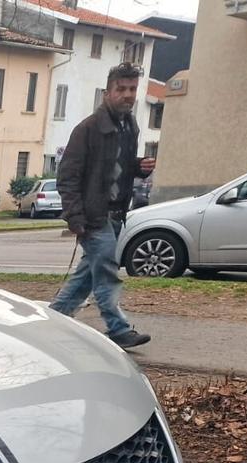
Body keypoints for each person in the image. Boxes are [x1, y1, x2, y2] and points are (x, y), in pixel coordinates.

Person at [50, 62, 157, 350]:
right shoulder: (88, 129)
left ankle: (52, 320)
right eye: (121, 89)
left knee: (87, 277)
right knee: (107, 269)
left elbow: (115, 169)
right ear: (107, 93)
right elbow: (67, 176)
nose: (127, 95)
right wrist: (75, 217)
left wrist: (138, 168)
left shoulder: (129, 126)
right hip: (93, 216)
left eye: (132, 89)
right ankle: (118, 328)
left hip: (116, 215)